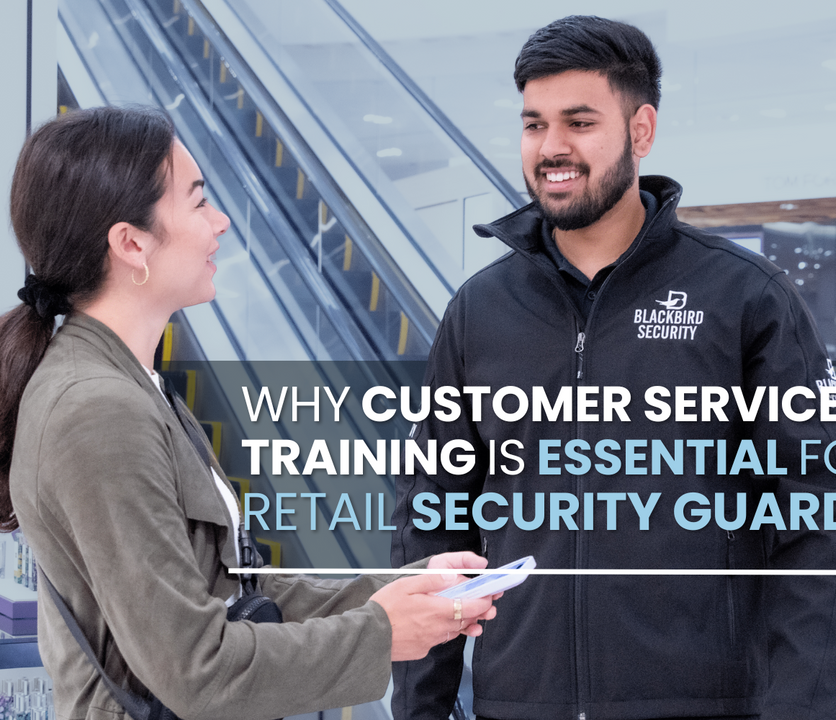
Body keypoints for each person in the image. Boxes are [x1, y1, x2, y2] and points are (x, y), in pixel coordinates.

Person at [391, 15, 836, 720]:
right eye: (533, 124)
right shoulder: (480, 310)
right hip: (519, 702)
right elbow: (433, 522)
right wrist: (421, 709)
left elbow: (821, 526)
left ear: (640, 131)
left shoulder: (744, 298)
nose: (551, 148)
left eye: (579, 122)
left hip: (699, 704)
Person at [0, 105, 498, 720]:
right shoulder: (99, 413)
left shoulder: (133, 387)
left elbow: (232, 592)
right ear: (132, 244)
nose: (222, 223)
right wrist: (383, 631)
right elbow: (198, 671)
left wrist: (397, 591)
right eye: (198, 201)